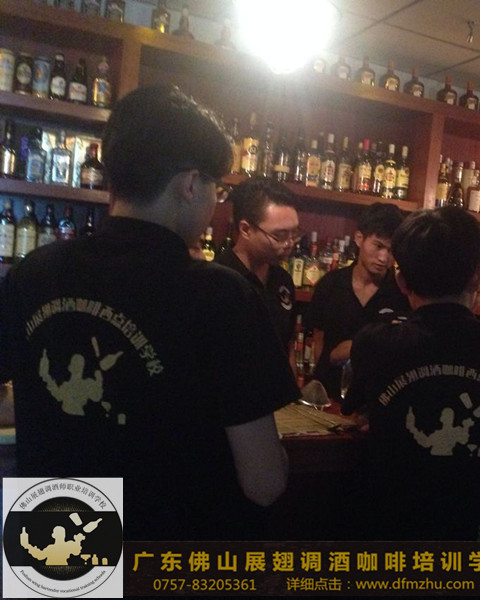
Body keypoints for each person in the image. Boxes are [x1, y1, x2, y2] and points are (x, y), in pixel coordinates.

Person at [0, 85, 298, 541]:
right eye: (216, 188)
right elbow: (264, 483)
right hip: (166, 554)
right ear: (191, 184)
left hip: (52, 548)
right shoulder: (221, 295)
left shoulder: (34, 271)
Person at [341, 206, 480, 540]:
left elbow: (355, 410)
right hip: (479, 541)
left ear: (401, 281)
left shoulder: (375, 342)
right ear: (477, 277)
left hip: (392, 538)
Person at [307, 201, 409, 398]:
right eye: (378, 246)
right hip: (329, 394)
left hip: (378, 399)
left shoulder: (402, 293)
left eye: (391, 250)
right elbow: (318, 342)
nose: (383, 258)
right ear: (359, 238)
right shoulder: (331, 284)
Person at [216, 177, 301, 357]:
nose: (290, 243)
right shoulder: (217, 279)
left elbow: (286, 349)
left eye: (294, 233)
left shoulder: (283, 280)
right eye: (280, 235)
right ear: (246, 229)